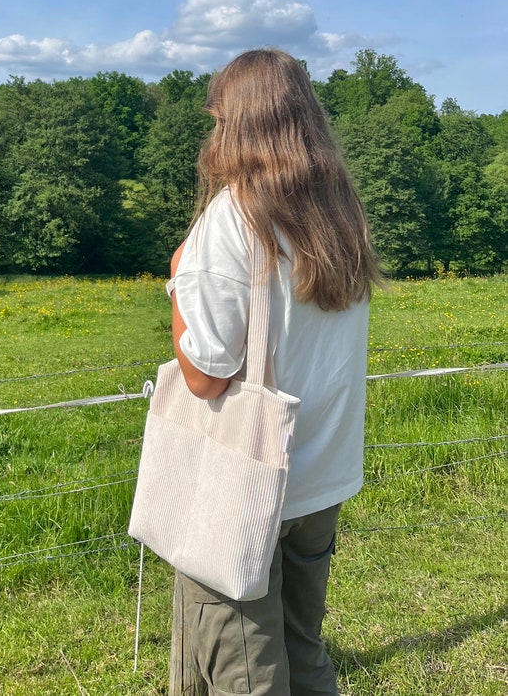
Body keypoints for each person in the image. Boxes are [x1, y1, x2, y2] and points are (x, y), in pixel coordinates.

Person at [167, 48, 382, 696]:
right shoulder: (340, 218)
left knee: (248, 672)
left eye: (216, 120)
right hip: (323, 476)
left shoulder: (232, 219)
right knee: (305, 649)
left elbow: (205, 374)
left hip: (246, 485)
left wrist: (179, 282)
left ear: (235, 124)